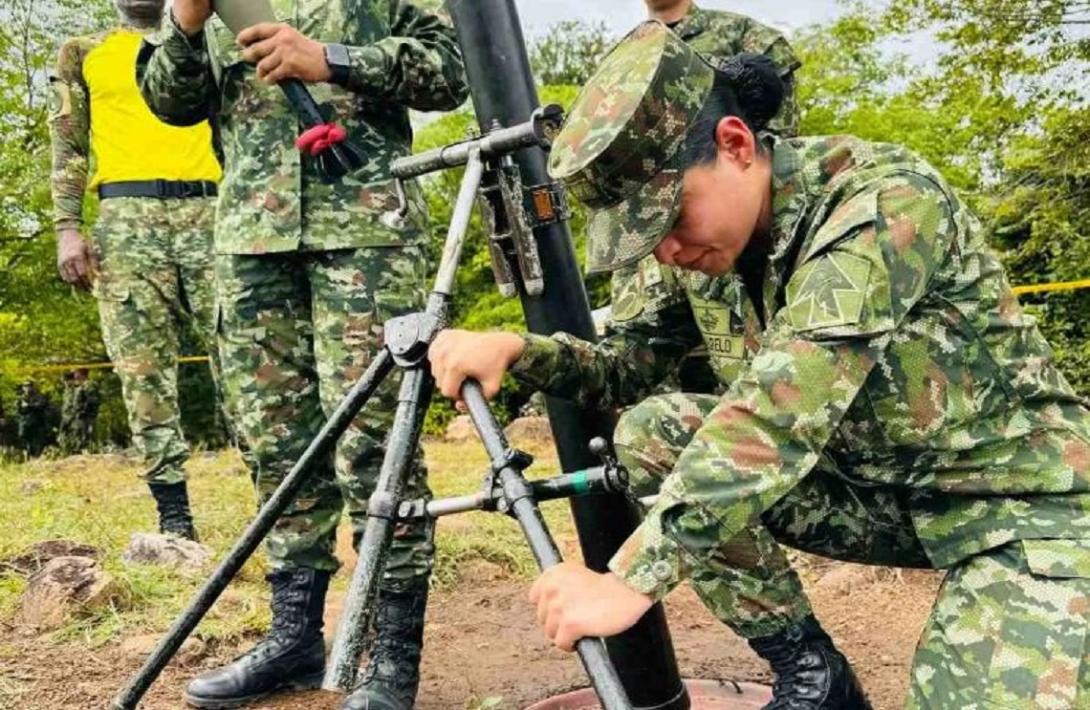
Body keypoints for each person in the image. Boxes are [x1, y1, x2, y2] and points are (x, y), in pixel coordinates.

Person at [428, 21, 1090, 710]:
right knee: (656, 430)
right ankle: (815, 676)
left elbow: (780, 409)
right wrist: (518, 351)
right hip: (882, 499)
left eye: (670, 220)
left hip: (1022, 507)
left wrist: (627, 580)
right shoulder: (707, 249)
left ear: (736, 144)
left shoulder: (882, 202)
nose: (666, 253)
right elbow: (628, 365)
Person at [137, 1, 468, 707]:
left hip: (365, 236)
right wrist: (189, 25)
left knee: (377, 447)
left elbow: (451, 70)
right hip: (251, 243)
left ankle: (389, 656)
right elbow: (171, 103)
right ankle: (293, 638)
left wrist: (333, 59)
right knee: (277, 448)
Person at [49, 0, 228, 541]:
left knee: (245, 360)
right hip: (124, 220)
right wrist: (66, 227)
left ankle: (280, 500)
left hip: (214, 212)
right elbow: (69, 145)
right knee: (142, 372)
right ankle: (174, 514)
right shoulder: (85, 53)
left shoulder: (215, 37)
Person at [609, 0, 801, 395]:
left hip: (739, 250)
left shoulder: (749, 38)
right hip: (679, 272)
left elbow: (772, 162)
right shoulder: (621, 62)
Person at [58, 368, 101, 455]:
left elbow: (92, 401)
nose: (74, 375)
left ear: (81, 373)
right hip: (78, 416)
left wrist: (84, 411)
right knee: (78, 435)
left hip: (87, 416)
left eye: (76, 373)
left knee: (87, 437)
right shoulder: (79, 387)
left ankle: (89, 452)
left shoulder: (89, 385)